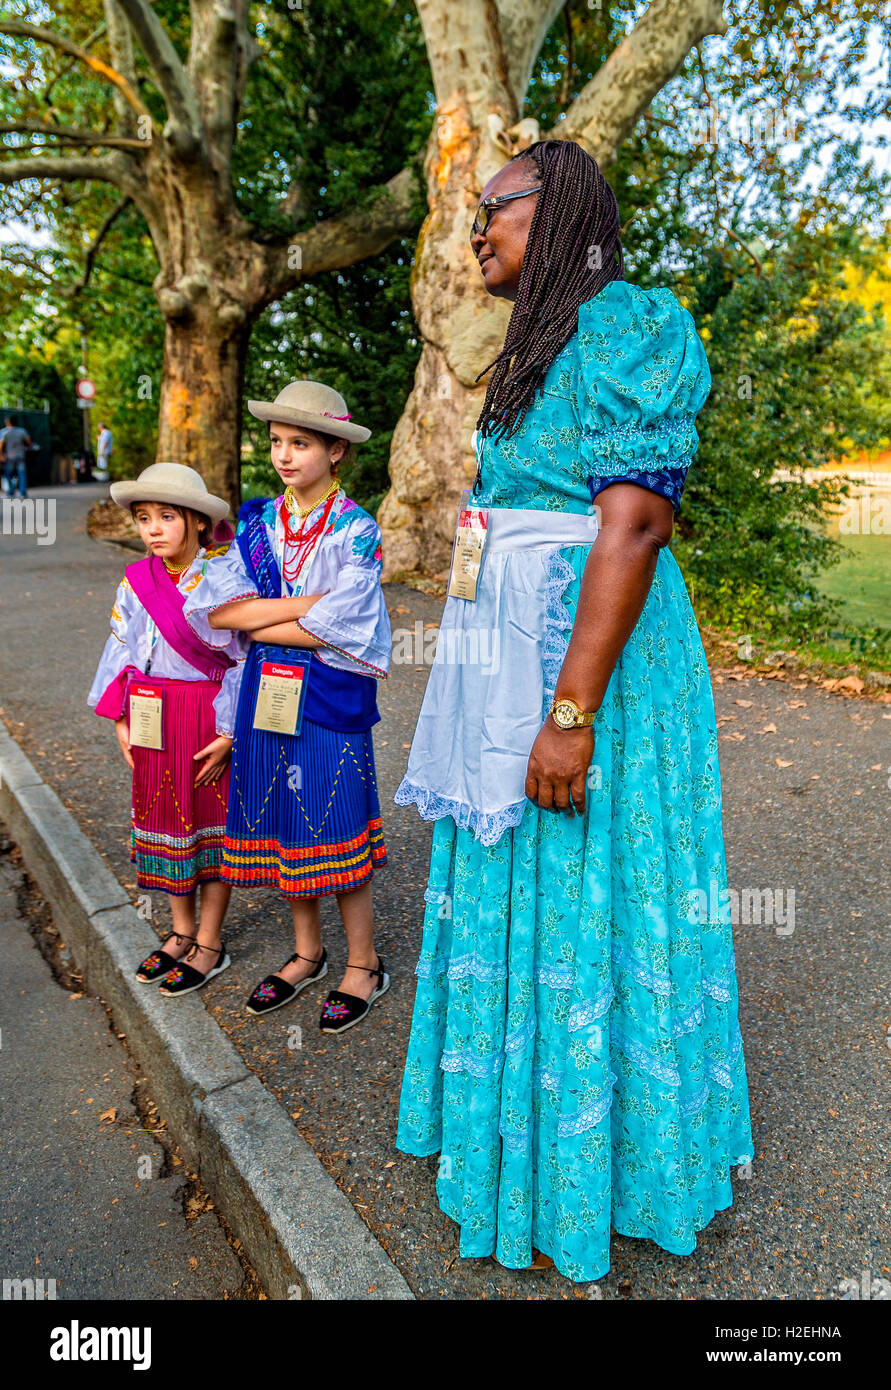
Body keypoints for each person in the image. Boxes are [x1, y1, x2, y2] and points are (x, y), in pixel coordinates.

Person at [395, 139, 754, 1283]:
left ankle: (605, 1168)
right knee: (526, 892)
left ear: (553, 211)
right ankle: (531, 1143)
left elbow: (635, 525)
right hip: (508, 664)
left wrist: (570, 710)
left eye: (490, 210)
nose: (475, 234)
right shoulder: (537, 344)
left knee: (591, 886)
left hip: (582, 677)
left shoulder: (629, 323)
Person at [182, 381, 392, 1033]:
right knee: (282, 825)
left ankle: (364, 963)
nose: (283, 454)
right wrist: (310, 607)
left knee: (332, 821)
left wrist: (262, 619)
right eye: (276, 442)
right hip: (263, 697)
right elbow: (217, 612)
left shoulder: (358, 529)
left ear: (335, 450)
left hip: (328, 697)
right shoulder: (255, 525)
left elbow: (348, 627)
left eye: (299, 442)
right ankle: (307, 952)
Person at [88, 462, 246, 995]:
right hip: (151, 714)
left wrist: (230, 733)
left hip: (207, 713)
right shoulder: (135, 581)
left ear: (199, 522)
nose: (153, 529)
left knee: (211, 824)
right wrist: (120, 717)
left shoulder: (225, 578)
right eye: (144, 518)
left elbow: (247, 657)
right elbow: (121, 648)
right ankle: (179, 932)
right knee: (164, 821)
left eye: (167, 517)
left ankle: (209, 939)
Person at [0, 414, 32, 498]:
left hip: (9, 457)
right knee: (22, 475)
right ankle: (22, 493)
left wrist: (0, 455)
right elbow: (29, 442)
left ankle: (11, 490)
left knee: (7, 474)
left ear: (7, 422)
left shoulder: (4, 432)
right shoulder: (22, 431)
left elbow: (1, 445)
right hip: (20, 455)